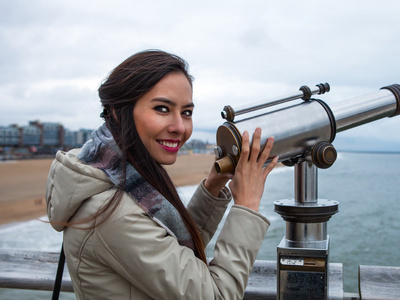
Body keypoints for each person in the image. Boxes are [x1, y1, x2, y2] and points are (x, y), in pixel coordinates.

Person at [46, 49, 278, 299]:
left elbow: (172, 252)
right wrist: (247, 205)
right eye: (162, 109)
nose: (179, 127)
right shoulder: (111, 213)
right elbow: (218, 295)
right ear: (117, 111)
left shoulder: (117, 177)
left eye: (186, 112)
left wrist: (212, 187)